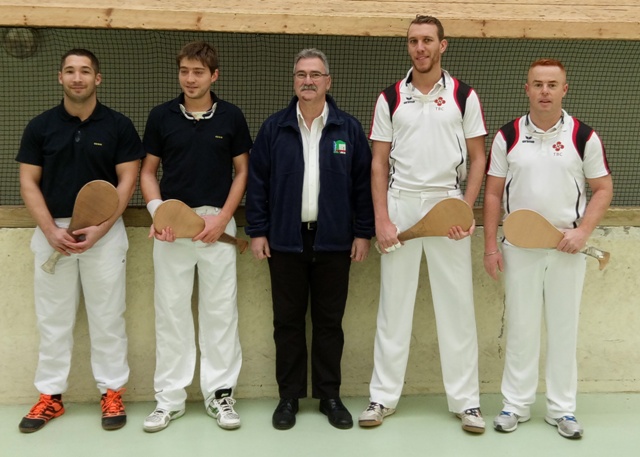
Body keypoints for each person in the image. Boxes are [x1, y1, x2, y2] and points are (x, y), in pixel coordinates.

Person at [359, 15, 487, 433]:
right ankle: (381, 398)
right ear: (408, 47)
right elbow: (378, 162)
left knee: (457, 308)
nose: (421, 48)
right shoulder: (390, 97)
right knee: (393, 308)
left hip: (448, 207)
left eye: (428, 40)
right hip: (401, 206)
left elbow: (479, 157)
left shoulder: (465, 96)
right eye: (414, 41)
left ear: (442, 46)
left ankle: (467, 403)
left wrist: (464, 209)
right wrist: (382, 218)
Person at [245, 48, 374, 430]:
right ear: (294, 81)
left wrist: (363, 233)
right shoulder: (274, 128)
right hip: (285, 242)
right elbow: (258, 185)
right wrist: (257, 231)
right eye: (301, 74)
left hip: (334, 242)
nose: (308, 81)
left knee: (329, 323)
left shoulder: (347, 129)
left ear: (328, 82)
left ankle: (329, 396)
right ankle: (288, 398)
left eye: (316, 74)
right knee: (286, 323)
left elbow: (363, 187)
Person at [483, 58, 612, 439]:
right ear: (527, 89)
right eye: (537, 84)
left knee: (563, 329)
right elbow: (492, 193)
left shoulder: (583, 137)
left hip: (566, 249)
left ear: (564, 90)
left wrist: (583, 232)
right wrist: (491, 246)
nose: (544, 91)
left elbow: (603, 189)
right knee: (521, 328)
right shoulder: (506, 136)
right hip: (519, 247)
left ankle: (563, 410)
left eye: (552, 85)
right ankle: (515, 406)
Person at [16, 49, 144, 433]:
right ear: (60, 77)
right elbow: (28, 182)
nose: (77, 78)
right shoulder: (39, 127)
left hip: (104, 237)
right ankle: (50, 398)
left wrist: (101, 228)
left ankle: (112, 393)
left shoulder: (119, 127)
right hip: (51, 234)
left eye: (85, 71)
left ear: (97, 79)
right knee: (53, 321)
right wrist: (50, 230)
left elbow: (128, 181)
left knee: (108, 318)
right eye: (70, 71)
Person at [139, 41, 251, 433]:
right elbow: (149, 172)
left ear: (214, 75)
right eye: (185, 71)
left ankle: (220, 396)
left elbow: (242, 172)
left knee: (220, 313)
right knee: (170, 314)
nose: (190, 78)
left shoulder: (232, 117)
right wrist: (158, 214)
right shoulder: (161, 116)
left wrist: (223, 218)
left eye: (198, 72)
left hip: (217, 229)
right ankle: (169, 399)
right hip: (172, 232)